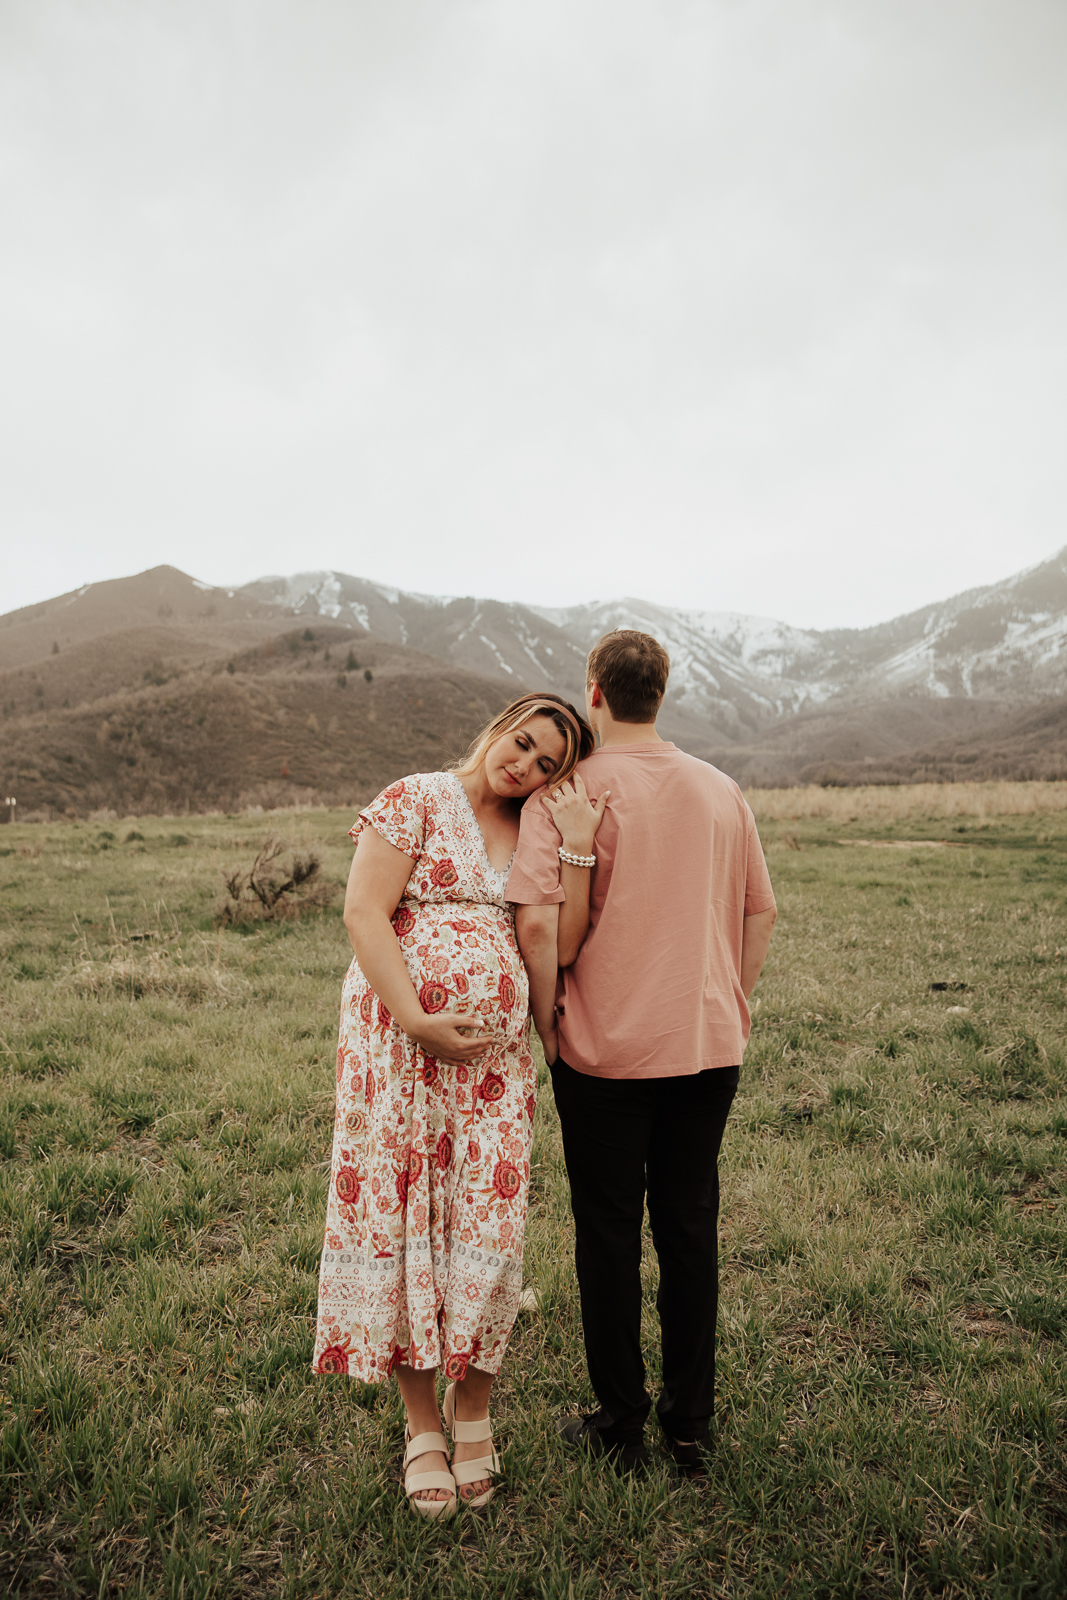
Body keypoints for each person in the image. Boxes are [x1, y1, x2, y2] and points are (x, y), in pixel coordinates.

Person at [312, 691, 606, 1518]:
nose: (526, 766)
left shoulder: (536, 829)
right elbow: (363, 911)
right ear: (500, 726)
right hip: (398, 1049)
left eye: (548, 764)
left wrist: (578, 850)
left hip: (492, 1070)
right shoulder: (416, 797)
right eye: (523, 744)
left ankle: (472, 1409)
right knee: (403, 1216)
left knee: (489, 1225)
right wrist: (416, 1017)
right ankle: (421, 1429)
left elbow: (562, 939)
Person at [507, 630, 777, 1476]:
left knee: (608, 1235)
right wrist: (729, 999)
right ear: (662, 693)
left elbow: (541, 922)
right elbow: (757, 912)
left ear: (593, 691)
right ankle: (689, 1427)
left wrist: (550, 1021)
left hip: (599, 1053)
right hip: (705, 1047)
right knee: (691, 1228)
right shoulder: (720, 789)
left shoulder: (565, 792)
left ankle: (621, 1426)